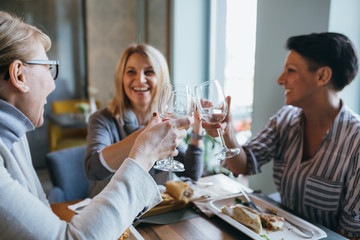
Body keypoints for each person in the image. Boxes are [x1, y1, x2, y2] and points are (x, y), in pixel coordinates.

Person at [0, 11, 191, 239]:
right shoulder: (103, 118)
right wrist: (144, 152)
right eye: (48, 67)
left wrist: (197, 134)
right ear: (19, 75)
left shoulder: (15, 135)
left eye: (149, 72)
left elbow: (40, 206)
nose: (53, 84)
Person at [202, 32, 360, 239]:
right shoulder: (285, 119)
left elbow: (351, 232)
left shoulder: (355, 140)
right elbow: (242, 165)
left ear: (322, 76)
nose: (280, 79)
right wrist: (227, 132)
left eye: (291, 70)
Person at [84, 44, 204, 197]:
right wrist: (148, 136)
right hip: (110, 212)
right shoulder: (102, 120)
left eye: (149, 72)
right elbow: (92, 170)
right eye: (131, 72)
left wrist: (197, 129)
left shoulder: (164, 122)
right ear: (121, 78)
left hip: (154, 213)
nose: (140, 80)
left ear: (161, 79)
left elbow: (191, 173)